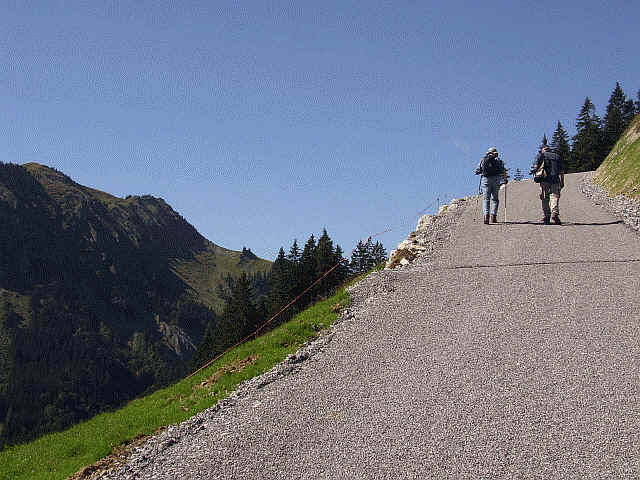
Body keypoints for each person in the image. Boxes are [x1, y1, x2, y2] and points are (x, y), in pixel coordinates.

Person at [530, 145, 565, 225]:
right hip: (555, 179)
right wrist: (562, 182)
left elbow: (535, 167)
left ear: (543, 150)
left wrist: (534, 172)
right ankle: (554, 213)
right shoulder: (557, 156)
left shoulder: (540, 156)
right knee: (555, 196)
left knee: (545, 198)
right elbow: (562, 171)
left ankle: (547, 216)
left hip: (544, 180)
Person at [475, 147, 508, 224]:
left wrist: (479, 172)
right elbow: (503, 170)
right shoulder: (499, 160)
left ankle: (486, 215)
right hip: (496, 179)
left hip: (486, 180)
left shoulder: (483, 160)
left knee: (486, 198)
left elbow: (477, 170)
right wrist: (505, 179)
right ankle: (494, 216)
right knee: (495, 199)